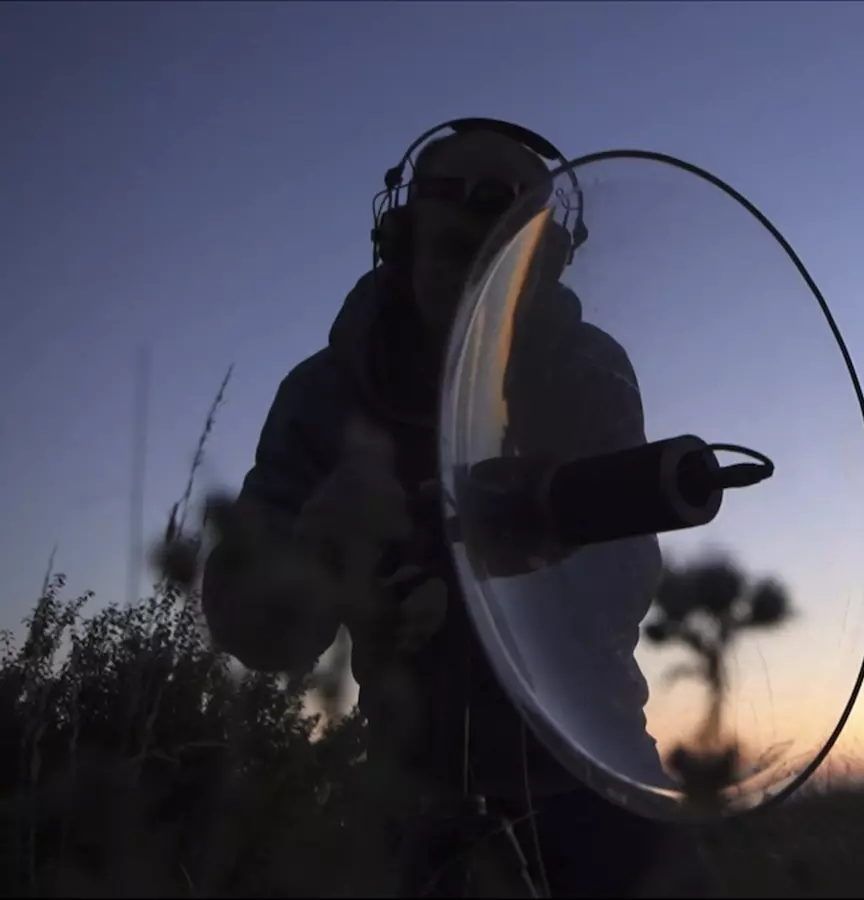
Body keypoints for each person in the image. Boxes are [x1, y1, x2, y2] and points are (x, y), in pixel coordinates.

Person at [199, 120, 705, 897]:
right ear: (398, 245)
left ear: (552, 262)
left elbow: (619, 580)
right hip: (415, 800)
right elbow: (247, 624)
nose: (483, 274)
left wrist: (479, 573)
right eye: (456, 245)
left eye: (512, 249)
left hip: (598, 774)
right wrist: (319, 562)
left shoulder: (587, 370)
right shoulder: (324, 396)